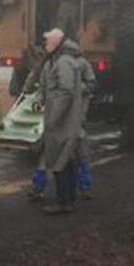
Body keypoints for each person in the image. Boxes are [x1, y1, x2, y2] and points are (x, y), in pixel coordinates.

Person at [28, 41, 96, 201]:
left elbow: (92, 84)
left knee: (79, 154)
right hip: (55, 117)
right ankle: (38, 188)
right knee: (49, 152)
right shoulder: (48, 66)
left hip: (74, 117)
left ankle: (82, 188)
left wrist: (75, 89)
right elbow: (42, 87)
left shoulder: (80, 64)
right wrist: (39, 101)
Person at [37, 28, 85, 215]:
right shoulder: (64, 59)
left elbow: (65, 91)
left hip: (62, 120)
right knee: (68, 158)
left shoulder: (63, 62)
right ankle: (69, 198)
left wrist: (53, 117)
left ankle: (63, 202)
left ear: (56, 43)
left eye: (47, 42)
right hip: (67, 118)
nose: (45, 45)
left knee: (60, 160)